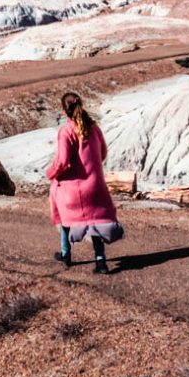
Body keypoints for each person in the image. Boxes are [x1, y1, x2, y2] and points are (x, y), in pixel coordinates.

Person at [47, 91, 124, 274]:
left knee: (64, 217)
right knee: (95, 221)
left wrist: (52, 173)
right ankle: (100, 261)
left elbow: (63, 161)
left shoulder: (66, 131)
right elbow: (103, 153)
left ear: (64, 111)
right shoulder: (94, 128)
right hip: (96, 186)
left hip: (74, 189)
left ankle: (66, 255)